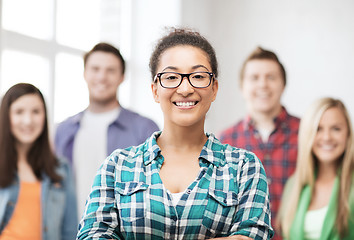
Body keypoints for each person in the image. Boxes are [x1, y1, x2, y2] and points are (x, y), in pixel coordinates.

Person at [77, 28, 273, 239]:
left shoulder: (244, 167)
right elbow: (93, 234)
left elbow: (253, 235)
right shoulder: (116, 167)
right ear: (155, 90)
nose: (185, 88)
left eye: (198, 76)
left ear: (214, 88)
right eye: (171, 77)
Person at [54, 42, 159, 217]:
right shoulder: (64, 130)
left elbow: (156, 190)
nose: (102, 77)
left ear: (122, 77)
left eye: (110, 70)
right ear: (85, 74)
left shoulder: (144, 128)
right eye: (95, 69)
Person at [219, 47, 299, 239]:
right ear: (242, 86)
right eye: (254, 78)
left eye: (271, 77)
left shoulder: (307, 133)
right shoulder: (226, 140)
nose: (263, 84)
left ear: (283, 84)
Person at [0, 83, 77, 240]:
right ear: (6, 116)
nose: (28, 121)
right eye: (19, 112)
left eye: (36, 112)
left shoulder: (61, 169)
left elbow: (70, 230)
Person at [277, 97, 354, 239]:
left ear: (348, 134)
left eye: (336, 129)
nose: (326, 137)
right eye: (318, 129)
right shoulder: (294, 185)